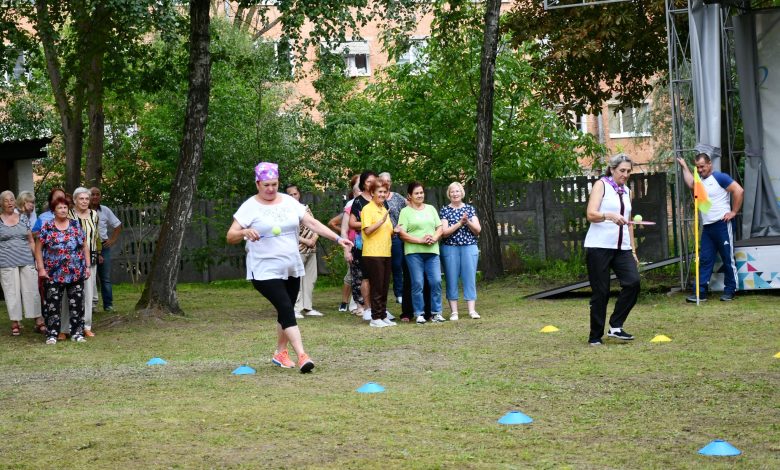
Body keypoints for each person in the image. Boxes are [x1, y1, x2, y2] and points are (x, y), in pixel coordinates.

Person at [226, 162, 352, 373]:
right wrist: (244, 232)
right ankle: (303, 356)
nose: (271, 189)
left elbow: (312, 224)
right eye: (266, 184)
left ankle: (280, 353)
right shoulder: (250, 206)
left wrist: (338, 239)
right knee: (286, 307)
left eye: (274, 184)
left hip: (291, 266)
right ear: (257, 183)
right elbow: (230, 236)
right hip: (264, 269)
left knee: (285, 310)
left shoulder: (288, 202)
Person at [584, 154, 640, 346]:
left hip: (622, 248)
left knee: (633, 283)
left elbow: (629, 224)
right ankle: (595, 336)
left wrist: (632, 250)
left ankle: (616, 326)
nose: (625, 175)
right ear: (612, 169)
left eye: (628, 171)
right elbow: (590, 214)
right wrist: (608, 216)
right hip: (599, 246)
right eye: (622, 170)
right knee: (601, 292)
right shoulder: (601, 185)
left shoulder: (627, 191)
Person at [677, 155, 744, 302]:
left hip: (722, 224)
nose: (700, 169)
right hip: (707, 227)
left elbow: (738, 190)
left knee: (727, 258)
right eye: (698, 167)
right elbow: (690, 183)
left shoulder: (720, 177)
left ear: (710, 164)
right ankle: (700, 292)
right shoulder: (699, 181)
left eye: (703, 166)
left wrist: (733, 212)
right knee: (705, 260)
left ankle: (730, 290)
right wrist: (684, 166)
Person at [35, 196, 91, 344]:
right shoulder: (47, 226)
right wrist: (41, 268)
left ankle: (77, 333)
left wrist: (87, 266)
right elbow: (38, 248)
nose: (63, 210)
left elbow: (84, 246)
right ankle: (52, 334)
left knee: (77, 304)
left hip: (76, 271)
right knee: (52, 304)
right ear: (53, 210)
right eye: (60, 207)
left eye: (65, 207)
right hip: (53, 273)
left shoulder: (75, 225)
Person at [396, 181, 444, 324]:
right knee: (417, 283)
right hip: (413, 253)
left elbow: (440, 227)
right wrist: (420, 240)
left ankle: (436, 313)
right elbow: (402, 234)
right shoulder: (405, 212)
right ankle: (419, 313)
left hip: (432, 251)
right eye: (416, 193)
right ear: (409, 196)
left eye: (421, 192)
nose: (419, 195)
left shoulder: (431, 209)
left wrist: (434, 238)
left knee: (436, 281)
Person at [1, 191, 44, 336]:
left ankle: (38, 320)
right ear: (1, 203)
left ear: (15, 201)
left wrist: (38, 260)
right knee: (11, 292)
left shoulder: (24, 218)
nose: (9, 202)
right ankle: (15, 322)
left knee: (32, 289)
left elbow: (31, 240)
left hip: (26, 259)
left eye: (11, 199)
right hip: (6, 262)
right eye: (6, 200)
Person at [439, 182, 482, 321]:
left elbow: (478, 230)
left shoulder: (469, 209)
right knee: (451, 279)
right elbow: (444, 232)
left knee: (470, 278)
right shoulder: (445, 210)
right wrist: (459, 223)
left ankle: (472, 310)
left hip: (469, 247)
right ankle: (454, 312)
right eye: (452, 192)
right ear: (449, 194)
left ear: (462, 193)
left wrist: (467, 222)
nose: (455, 194)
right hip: (450, 248)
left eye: (457, 191)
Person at [360, 178, 396, 327]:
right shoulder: (368, 209)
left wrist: (396, 230)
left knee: (384, 285)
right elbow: (367, 230)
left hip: (386, 251)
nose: (382, 194)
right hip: (373, 253)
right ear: (372, 192)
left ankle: (382, 314)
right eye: (379, 191)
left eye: (385, 191)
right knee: (376, 285)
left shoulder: (383, 208)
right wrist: (380, 222)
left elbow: (387, 232)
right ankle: (375, 318)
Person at [65, 187, 99, 338]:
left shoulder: (94, 215)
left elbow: (95, 236)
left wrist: (97, 253)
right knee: (69, 293)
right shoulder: (69, 215)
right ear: (75, 200)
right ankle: (65, 328)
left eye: (87, 199)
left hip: (90, 258)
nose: (84, 201)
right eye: (81, 199)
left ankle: (86, 325)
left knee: (88, 293)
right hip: (72, 259)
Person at [284, 184, 323, 318]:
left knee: (310, 279)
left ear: (299, 194)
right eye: (290, 195)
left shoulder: (305, 208)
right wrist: (306, 241)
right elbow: (288, 233)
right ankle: (295, 308)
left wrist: (314, 238)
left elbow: (314, 225)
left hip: (311, 249)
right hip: (297, 250)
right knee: (296, 280)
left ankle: (308, 307)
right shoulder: (285, 211)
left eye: (295, 194)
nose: (293, 197)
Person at [348, 171, 379, 320]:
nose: (372, 184)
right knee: (366, 277)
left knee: (378, 278)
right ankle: (367, 309)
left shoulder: (379, 198)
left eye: (374, 181)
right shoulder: (358, 201)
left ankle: (378, 308)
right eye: (368, 181)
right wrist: (369, 224)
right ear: (363, 184)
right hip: (363, 244)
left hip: (380, 244)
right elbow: (352, 223)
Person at [90, 187, 122, 312]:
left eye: (98, 194)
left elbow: (118, 225)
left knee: (105, 278)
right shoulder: (83, 211)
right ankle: (91, 306)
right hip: (88, 247)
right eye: (93, 194)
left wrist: (112, 240)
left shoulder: (105, 210)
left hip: (103, 247)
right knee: (90, 277)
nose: (95, 197)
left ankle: (108, 305)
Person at [378, 172, 407, 305]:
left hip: (397, 236)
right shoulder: (377, 198)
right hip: (381, 236)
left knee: (398, 265)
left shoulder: (397, 197)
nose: (386, 183)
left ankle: (399, 293)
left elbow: (408, 209)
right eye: (383, 181)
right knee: (383, 267)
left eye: (388, 181)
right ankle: (381, 295)